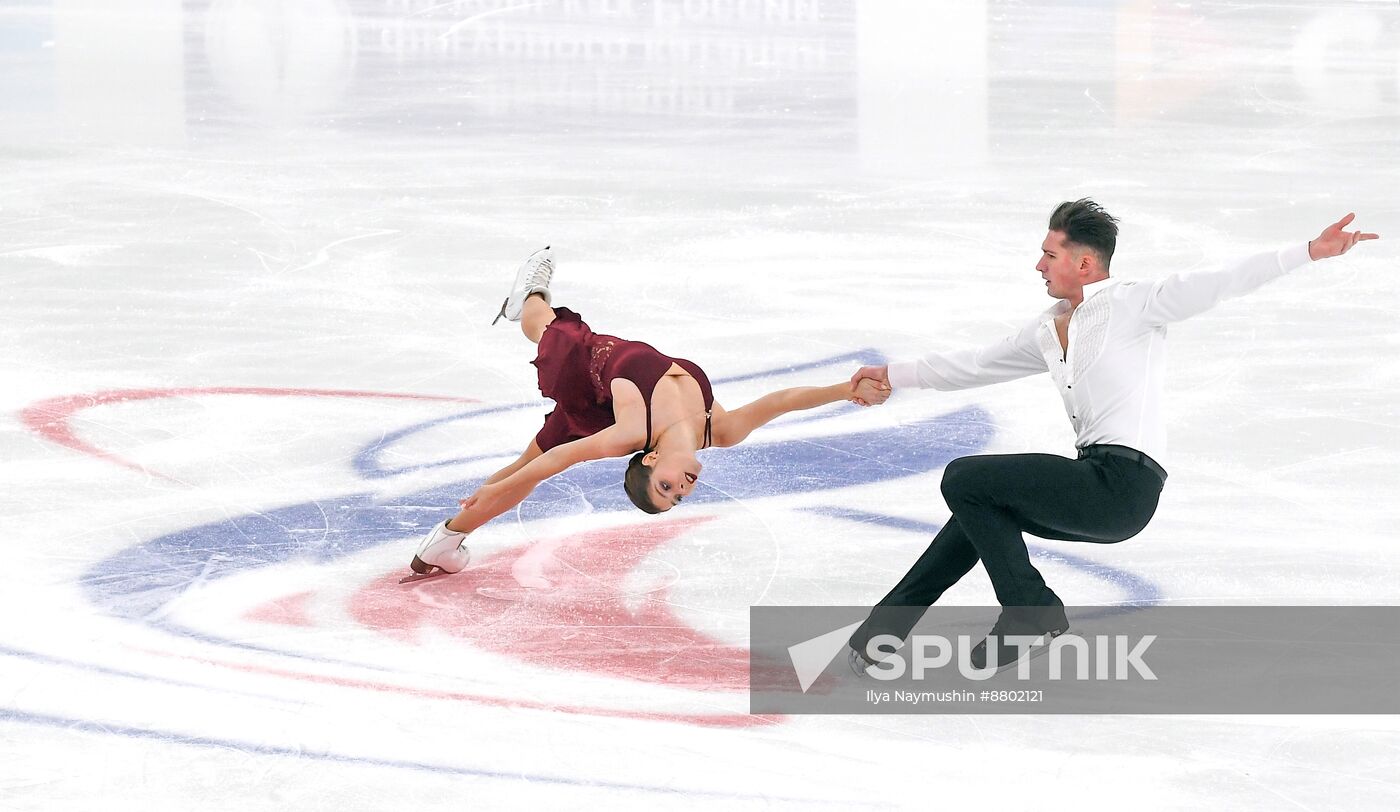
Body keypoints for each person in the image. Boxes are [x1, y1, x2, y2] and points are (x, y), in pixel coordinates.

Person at [846, 201, 1379, 672]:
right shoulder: (1048, 328)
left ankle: (1031, 612)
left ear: (1084, 262)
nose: (1038, 265)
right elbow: (975, 365)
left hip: (1123, 485)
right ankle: (882, 632)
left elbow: (1221, 280)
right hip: (1091, 479)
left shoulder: (1135, 303)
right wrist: (894, 374)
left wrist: (1308, 251)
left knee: (966, 478)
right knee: (978, 506)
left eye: (1049, 255)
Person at [406, 246, 892, 579]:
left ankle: (526, 298)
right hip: (607, 397)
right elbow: (780, 402)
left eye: (666, 487)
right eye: (680, 496)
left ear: (650, 461)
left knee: (544, 328)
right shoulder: (716, 429)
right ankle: (444, 545)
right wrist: (843, 390)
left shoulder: (632, 432)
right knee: (522, 472)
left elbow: (558, 462)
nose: (683, 487)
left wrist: (498, 481)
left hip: (585, 373)